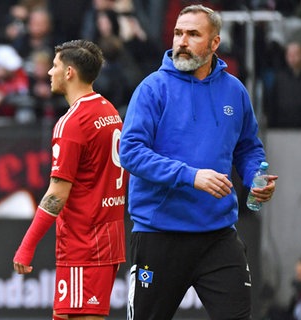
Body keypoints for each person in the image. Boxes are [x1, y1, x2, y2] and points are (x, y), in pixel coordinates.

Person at [119, 5, 278, 319]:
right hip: (158, 232)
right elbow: (131, 152)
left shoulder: (235, 90)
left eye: (193, 34)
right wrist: (190, 176)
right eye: (179, 33)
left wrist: (256, 179)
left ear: (214, 43)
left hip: (218, 234)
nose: (181, 41)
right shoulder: (152, 88)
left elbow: (248, 149)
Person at [13, 39, 127, 320]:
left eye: (54, 66)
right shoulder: (109, 111)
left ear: (69, 72)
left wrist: (26, 247)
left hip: (83, 243)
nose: (49, 72)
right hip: (107, 239)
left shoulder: (73, 122)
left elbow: (57, 195)